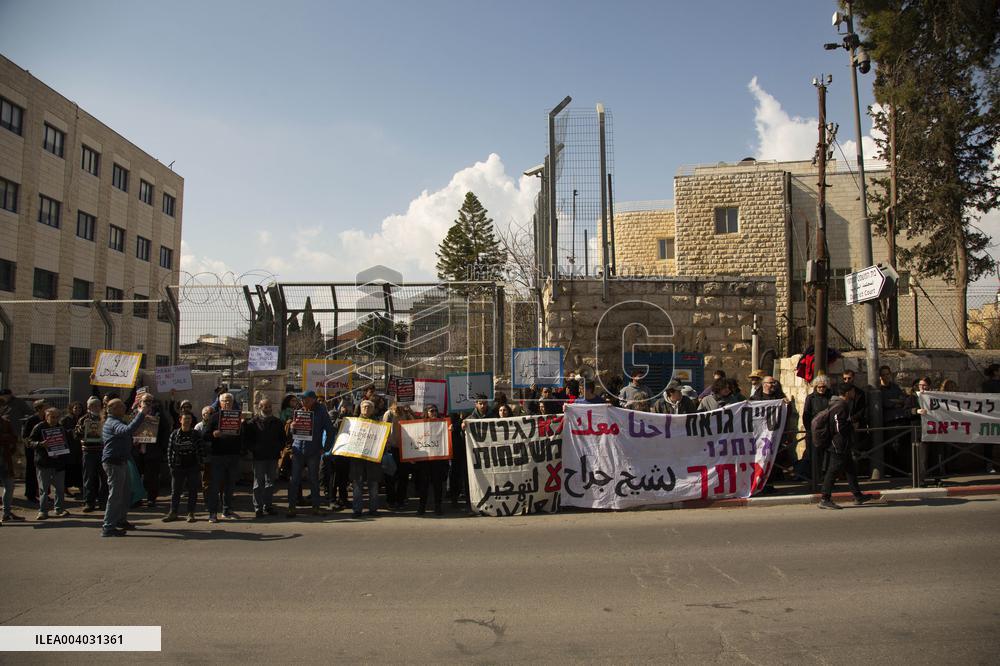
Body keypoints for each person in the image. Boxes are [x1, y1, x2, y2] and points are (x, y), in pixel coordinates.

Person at [818, 383, 876, 510]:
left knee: (850, 469)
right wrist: (849, 427)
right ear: (848, 392)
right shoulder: (841, 405)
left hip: (842, 443)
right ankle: (825, 498)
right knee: (833, 470)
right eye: (852, 391)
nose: (854, 394)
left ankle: (858, 495)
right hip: (839, 443)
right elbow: (839, 426)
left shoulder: (837, 403)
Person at [101, 397, 150, 537]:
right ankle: (108, 526)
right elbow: (127, 430)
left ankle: (120, 520)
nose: (124, 409)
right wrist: (142, 413)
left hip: (121, 460)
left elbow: (124, 435)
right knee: (115, 495)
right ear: (114, 409)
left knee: (125, 493)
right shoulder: (113, 422)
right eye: (122, 407)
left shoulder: (116, 421)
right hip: (113, 462)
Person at [287, 390, 336, 518]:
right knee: (294, 480)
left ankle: (316, 507)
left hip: (314, 451)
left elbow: (330, 430)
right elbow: (292, 431)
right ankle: (291, 508)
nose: (304, 401)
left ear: (313, 399)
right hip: (298, 449)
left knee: (314, 480)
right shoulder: (298, 409)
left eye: (307, 399)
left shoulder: (321, 411)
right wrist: (292, 427)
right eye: (302, 399)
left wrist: (325, 448)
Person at [206, 393, 243, 523]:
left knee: (230, 485)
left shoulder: (238, 417)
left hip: (233, 455)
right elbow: (205, 435)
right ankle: (212, 513)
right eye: (224, 401)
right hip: (218, 456)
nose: (227, 403)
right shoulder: (214, 417)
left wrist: (243, 425)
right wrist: (213, 434)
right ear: (220, 403)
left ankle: (227, 510)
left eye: (229, 401)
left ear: (233, 403)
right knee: (215, 485)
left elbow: (242, 436)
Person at [244, 397, 284, 518]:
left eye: (269, 407)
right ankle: (258, 508)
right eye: (265, 407)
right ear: (259, 407)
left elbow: (282, 438)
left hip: (273, 457)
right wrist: (254, 449)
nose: (267, 409)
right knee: (258, 483)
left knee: (270, 483)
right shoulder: (253, 422)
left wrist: (278, 448)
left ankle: (268, 506)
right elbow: (247, 439)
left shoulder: (277, 422)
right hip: (259, 457)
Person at [163, 412, 204, 523]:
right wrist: (171, 465)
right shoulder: (175, 434)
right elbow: (169, 449)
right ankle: (173, 512)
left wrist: (200, 464)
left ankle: (191, 513)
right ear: (180, 420)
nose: (187, 421)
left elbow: (200, 450)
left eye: (189, 419)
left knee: (193, 491)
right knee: (175, 491)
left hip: (192, 466)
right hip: (178, 467)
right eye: (185, 419)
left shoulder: (195, 434)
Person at [350, 399, 384, 517]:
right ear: (360, 408)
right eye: (364, 407)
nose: (366, 409)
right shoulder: (353, 422)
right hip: (357, 458)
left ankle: (373, 509)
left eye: (369, 407)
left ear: (373, 410)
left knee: (373, 485)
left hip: (372, 459)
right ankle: (357, 510)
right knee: (357, 485)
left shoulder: (379, 424)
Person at [413, 404, 448, 515]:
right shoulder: (420, 425)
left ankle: (438, 507)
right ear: (426, 413)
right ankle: (422, 507)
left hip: (438, 460)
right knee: (423, 485)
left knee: (438, 485)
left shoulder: (442, 424)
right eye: (431, 411)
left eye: (435, 411)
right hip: (425, 460)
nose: (434, 413)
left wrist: (450, 429)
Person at [75, 397, 107, 512]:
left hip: (102, 451)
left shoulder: (104, 418)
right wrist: (84, 428)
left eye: (97, 406)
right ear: (88, 407)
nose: (95, 408)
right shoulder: (83, 419)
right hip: (88, 451)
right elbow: (76, 434)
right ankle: (89, 502)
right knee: (89, 477)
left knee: (104, 478)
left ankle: (103, 501)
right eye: (93, 406)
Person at [879, 365, 910, 477]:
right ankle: (893, 471)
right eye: (883, 375)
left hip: (900, 419)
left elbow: (903, 400)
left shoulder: (895, 387)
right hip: (889, 421)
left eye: (888, 374)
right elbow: (885, 403)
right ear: (880, 377)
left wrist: (895, 402)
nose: (886, 377)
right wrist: (895, 402)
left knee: (902, 446)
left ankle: (901, 470)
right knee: (892, 446)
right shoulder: (879, 389)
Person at [802, 375, 832, 480]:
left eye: (823, 387)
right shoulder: (810, 398)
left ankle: (827, 479)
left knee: (828, 457)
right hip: (815, 431)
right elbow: (806, 415)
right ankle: (815, 480)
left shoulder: (831, 397)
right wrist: (809, 430)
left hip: (828, 431)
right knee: (814, 456)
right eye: (819, 387)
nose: (821, 389)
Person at [21, 400, 47, 503]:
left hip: (43, 451)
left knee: (42, 474)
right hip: (32, 450)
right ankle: (30, 494)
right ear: (40, 408)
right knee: (31, 472)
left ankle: (42, 493)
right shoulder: (31, 420)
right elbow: (26, 437)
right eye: (45, 406)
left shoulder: (46, 419)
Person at [0, 410, 23, 524]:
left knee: (9, 486)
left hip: (5, 459)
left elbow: (14, 438)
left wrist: (7, 439)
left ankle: (7, 513)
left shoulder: (5, 422)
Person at [982, 364, 999, 474]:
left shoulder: (985, 384)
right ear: (996, 372)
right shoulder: (987, 384)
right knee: (989, 441)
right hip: (992, 415)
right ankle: (989, 465)